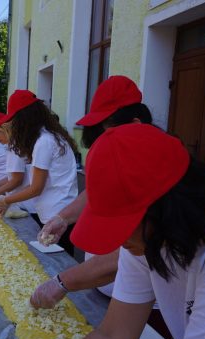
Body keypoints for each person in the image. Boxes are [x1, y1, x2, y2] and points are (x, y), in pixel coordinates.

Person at [66, 123, 205, 339]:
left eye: (121, 225)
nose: (119, 241)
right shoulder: (148, 234)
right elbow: (112, 337)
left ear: (166, 210)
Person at [31, 76, 155, 307]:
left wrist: (63, 282)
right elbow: (93, 193)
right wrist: (63, 218)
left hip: (143, 303)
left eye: (106, 134)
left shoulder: (155, 169)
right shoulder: (121, 159)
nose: (103, 143)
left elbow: (133, 253)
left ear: (135, 125)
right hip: (103, 288)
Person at [0, 90, 78, 253]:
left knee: (57, 262)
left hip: (57, 214)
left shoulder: (44, 142)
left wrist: (5, 200)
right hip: (58, 212)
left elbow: (36, 188)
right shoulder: (49, 137)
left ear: (23, 119)